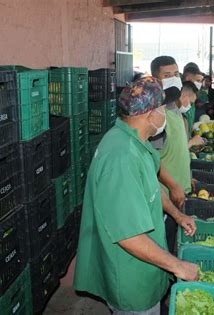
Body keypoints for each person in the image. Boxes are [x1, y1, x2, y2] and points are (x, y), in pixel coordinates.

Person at [73, 77, 199, 315]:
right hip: (132, 278)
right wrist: (178, 266)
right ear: (150, 115)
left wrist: (177, 214)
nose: (165, 112)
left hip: (147, 268)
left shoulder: (136, 140)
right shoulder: (121, 157)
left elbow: (151, 187)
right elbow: (129, 236)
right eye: (162, 107)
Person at [150, 57, 203, 254]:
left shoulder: (174, 108)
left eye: (176, 74)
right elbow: (153, 159)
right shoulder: (157, 115)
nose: (173, 79)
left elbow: (177, 150)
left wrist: (187, 178)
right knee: (164, 243)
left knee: (175, 241)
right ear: (156, 79)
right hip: (165, 194)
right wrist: (173, 185)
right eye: (166, 75)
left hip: (179, 190)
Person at [182, 63, 204, 134]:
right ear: (187, 79)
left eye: (201, 81)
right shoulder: (180, 100)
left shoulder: (193, 97)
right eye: (198, 81)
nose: (200, 84)